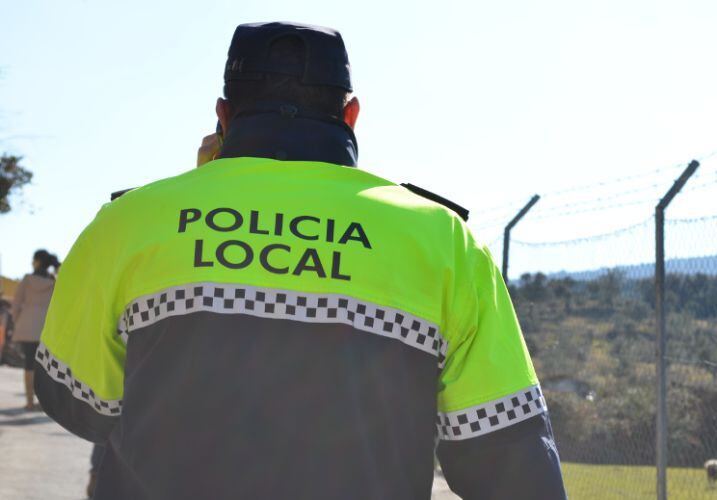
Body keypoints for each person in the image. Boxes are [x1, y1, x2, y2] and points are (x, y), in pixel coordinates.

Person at [35, 22, 567, 499]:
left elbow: (81, 402)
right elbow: (507, 452)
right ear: (351, 115)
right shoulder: (443, 238)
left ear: (222, 115)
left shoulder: (129, 222)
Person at [12, 249, 58, 410]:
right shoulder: (53, 282)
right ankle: (41, 402)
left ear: (37, 261)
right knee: (42, 366)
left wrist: (18, 322)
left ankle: (29, 401)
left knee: (29, 364)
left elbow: (16, 304)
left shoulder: (27, 279)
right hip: (45, 329)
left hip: (26, 327)